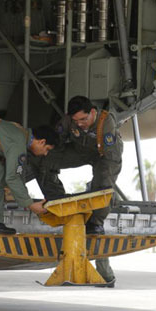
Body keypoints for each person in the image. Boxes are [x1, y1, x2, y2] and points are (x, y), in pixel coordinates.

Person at [28, 96, 123, 284]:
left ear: (93, 113)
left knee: (103, 186)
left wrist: (104, 184)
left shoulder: (106, 124)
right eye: (76, 121)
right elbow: (55, 144)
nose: (80, 124)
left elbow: (111, 162)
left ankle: (96, 223)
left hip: (104, 155)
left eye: (84, 120)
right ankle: (56, 200)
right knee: (45, 160)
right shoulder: (68, 122)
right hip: (80, 151)